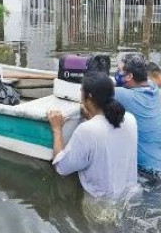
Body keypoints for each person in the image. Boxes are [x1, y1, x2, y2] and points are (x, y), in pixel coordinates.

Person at [47, 72, 138, 201]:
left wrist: (57, 129)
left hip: (102, 206)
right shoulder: (130, 119)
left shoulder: (87, 130)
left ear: (88, 98)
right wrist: (91, 116)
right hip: (131, 196)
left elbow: (61, 167)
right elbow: (108, 135)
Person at [113, 53, 161, 174]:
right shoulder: (154, 90)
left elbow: (94, 91)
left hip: (151, 170)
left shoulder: (122, 95)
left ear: (129, 76)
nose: (116, 73)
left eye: (118, 70)